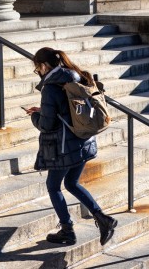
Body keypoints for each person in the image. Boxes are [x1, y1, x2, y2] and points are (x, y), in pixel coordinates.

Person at [24, 47, 118, 246]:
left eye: (37, 68)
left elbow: (46, 125)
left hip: (65, 146)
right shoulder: (76, 76)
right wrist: (43, 109)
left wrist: (34, 116)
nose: (38, 72)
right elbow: (69, 109)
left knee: (53, 186)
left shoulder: (50, 86)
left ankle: (67, 230)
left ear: (44, 66)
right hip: (84, 141)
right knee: (72, 183)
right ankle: (103, 219)